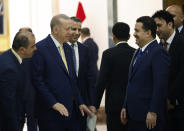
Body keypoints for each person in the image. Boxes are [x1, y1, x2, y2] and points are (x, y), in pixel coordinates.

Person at [31, 14, 92, 131]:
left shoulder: (68, 49)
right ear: (55, 30)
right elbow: (38, 81)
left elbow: (72, 79)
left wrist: (80, 102)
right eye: (67, 29)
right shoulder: (40, 48)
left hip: (72, 112)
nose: (71, 32)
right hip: (50, 114)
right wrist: (54, 103)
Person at [121, 16, 169, 131]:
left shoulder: (158, 52)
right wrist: (125, 106)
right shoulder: (138, 51)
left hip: (148, 116)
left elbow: (160, 85)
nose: (133, 34)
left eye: (137, 31)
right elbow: (131, 82)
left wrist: (153, 110)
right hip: (133, 115)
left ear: (148, 33)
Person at [95, 22, 135, 131]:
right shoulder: (136, 53)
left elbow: (101, 81)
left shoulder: (108, 54)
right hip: (133, 104)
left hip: (114, 105)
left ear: (113, 36)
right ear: (129, 36)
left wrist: (95, 105)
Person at [152, 10, 184, 131]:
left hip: (179, 106)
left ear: (170, 24)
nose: (157, 30)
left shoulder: (181, 43)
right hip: (161, 108)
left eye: (159, 25)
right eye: (155, 27)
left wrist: (170, 97)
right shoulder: (157, 47)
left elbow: (182, 74)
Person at [0, 29, 37, 131]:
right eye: (33, 46)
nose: (36, 48)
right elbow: (9, 105)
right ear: (22, 50)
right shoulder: (9, 68)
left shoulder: (10, 56)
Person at [67, 17, 97, 131]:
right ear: (66, 29)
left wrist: (92, 102)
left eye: (79, 30)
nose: (77, 33)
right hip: (64, 104)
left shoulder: (85, 49)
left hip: (83, 103)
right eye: (73, 29)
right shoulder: (59, 50)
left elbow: (90, 78)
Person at [18, 27, 38, 131]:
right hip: (18, 93)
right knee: (18, 120)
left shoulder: (37, 52)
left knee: (32, 121)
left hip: (33, 93)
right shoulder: (15, 52)